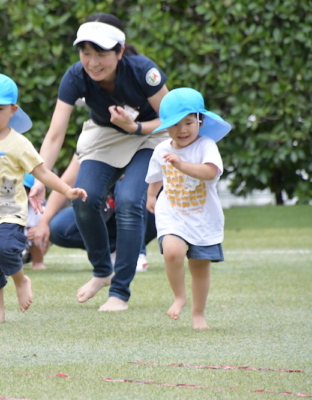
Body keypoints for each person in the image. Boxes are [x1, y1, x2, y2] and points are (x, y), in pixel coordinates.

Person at [29, 13, 169, 311]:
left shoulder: (144, 71)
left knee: (131, 200)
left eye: (101, 54)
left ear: (119, 52)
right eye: (85, 53)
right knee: (83, 199)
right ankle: (102, 271)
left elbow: (172, 121)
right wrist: (41, 178)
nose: (92, 62)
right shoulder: (75, 76)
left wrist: (137, 128)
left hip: (149, 135)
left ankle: (119, 292)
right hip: (104, 135)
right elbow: (55, 135)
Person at [0, 73, 87, 324]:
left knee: (4, 248)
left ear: (13, 110)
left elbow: (42, 172)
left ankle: (21, 280)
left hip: (8, 205)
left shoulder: (19, 143)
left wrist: (66, 190)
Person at [146, 87, 230, 329]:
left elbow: (210, 171)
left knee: (200, 267)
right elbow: (155, 175)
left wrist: (182, 165)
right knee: (172, 252)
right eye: (175, 125)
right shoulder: (162, 149)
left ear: (200, 121)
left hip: (203, 217)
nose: (182, 130)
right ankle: (179, 296)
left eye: (188, 122)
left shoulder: (206, 146)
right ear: (165, 127)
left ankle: (198, 313)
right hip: (172, 212)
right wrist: (152, 196)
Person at [33, 155, 157, 272]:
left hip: (148, 211)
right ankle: (112, 249)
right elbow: (67, 181)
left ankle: (134, 252)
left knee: (128, 192)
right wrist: (43, 222)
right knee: (57, 227)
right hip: (106, 209)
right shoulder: (92, 140)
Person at [22, 173, 49, 270]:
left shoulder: (37, 210)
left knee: (34, 232)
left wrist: (38, 230)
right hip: (6, 246)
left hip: (25, 248)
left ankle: (38, 261)